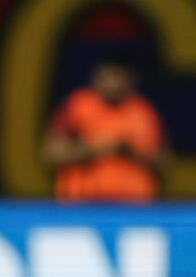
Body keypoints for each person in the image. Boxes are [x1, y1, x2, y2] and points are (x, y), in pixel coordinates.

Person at [42, 59, 170, 203]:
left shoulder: (143, 112)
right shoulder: (77, 106)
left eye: (118, 77)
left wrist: (130, 151)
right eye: (108, 77)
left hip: (134, 208)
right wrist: (96, 148)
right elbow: (52, 153)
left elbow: (164, 161)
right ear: (96, 79)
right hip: (82, 206)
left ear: (130, 81)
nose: (113, 83)